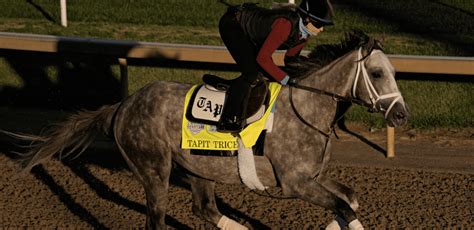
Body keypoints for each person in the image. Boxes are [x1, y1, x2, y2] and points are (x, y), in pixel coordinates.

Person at [217, 0, 334, 133]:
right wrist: (286, 79)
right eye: (319, 24)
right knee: (252, 73)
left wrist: (311, 68)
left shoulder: (305, 33)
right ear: (307, 19)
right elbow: (263, 58)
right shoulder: (285, 25)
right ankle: (228, 119)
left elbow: (290, 59)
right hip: (233, 25)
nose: (322, 29)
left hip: (250, 32)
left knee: (267, 73)